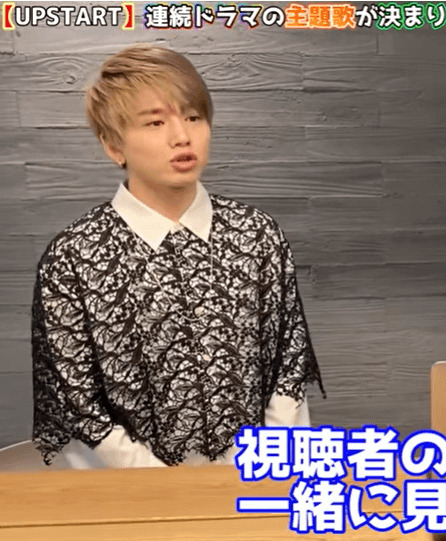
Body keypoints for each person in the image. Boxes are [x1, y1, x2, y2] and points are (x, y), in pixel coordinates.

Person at [31, 44, 325, 468]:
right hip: (130, 494)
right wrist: (170, 488)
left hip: (257, 480)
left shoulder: (257, 234)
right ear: (113, 145)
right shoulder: (73, 257)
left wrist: (266, 467)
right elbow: (77, 404)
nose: (181, 136)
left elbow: (287, 367)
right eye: (155, 122)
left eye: (193, 117)